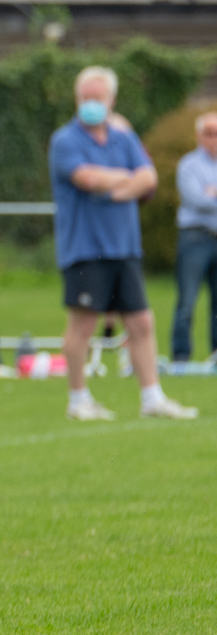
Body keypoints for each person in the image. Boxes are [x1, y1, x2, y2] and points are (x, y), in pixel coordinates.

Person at [48, 65, 196, 420]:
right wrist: (124, 180)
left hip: (124, 246)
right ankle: (78, 399)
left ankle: (152, 397)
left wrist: (117, 186)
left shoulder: (123, 139)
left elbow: (149, 177)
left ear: (111, 100)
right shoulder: (65, 140)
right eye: (85, 97)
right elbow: (86, 178)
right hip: (85, 246)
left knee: (141, 322)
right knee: (83, 324)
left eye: (97, 97)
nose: (91, 104)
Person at [170, 111, 217, 363]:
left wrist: (212, 192)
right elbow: (195, 199)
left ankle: (215, 356)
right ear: (200, 136)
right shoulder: (189, 164)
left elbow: (207, 198)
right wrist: (208, 195)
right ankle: (180, 355)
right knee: (187, 300)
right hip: (195, 237)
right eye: (209, 133)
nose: (214, 138)